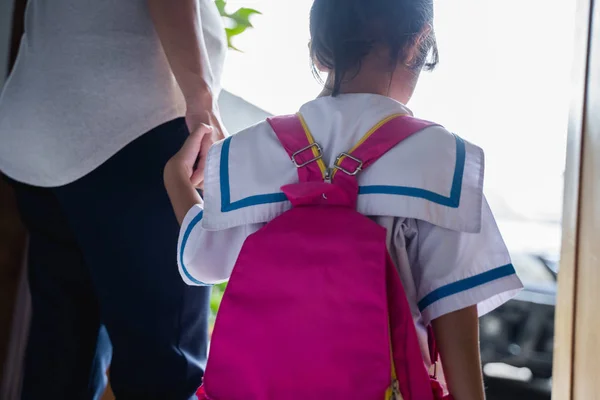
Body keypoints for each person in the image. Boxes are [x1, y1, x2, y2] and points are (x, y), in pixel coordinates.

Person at [165, 0, 523, 398]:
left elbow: (202, 260)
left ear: (319, 52)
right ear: (416, 44)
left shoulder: (245, 153)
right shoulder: (442, 159)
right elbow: (453, 308)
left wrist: (175, 181)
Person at [0, 0, 226, 398]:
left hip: (39, 133)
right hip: (135, 133)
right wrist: (202, 101)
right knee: (165, 371)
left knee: (61, 354)